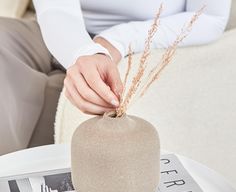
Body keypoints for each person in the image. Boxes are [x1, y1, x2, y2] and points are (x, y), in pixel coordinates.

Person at [0, 0, 231, 155]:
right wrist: (82, 51)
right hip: (56, 30)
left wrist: (115, 41)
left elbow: (209, 18)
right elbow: (55, 8)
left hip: (148, 45)